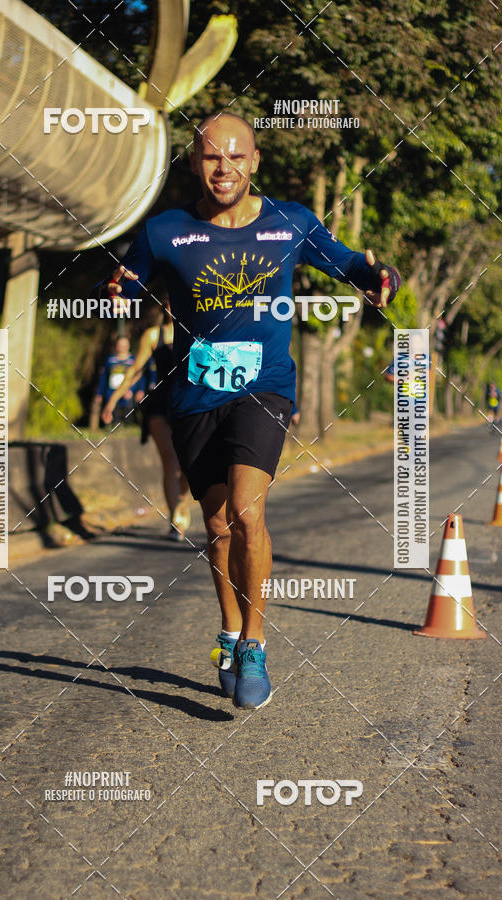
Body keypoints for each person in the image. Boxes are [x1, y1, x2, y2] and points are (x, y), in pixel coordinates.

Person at [105, 111, 401, 709]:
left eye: (236, 156)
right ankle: (230, 629)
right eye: (213, 156)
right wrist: (115, 289)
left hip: (265, 388)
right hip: (195, 394)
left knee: (246, 511)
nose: (225, 168)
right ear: (195, 163)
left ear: (255, 161)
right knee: (217, 526)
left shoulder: (291, 222)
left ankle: (256, 643)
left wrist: (377, 272)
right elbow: (128, 283)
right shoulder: (165, 230)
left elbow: (347, 261)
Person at [101, 308, 190, 541]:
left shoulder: (195, 328)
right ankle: (175, 519)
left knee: (189, 465)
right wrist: (112, 400)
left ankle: (181, 500)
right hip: (160, 403)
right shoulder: (153, 335)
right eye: (169, 301)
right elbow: (134, 370)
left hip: (188, 402)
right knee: (169, 460)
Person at [90, 336, 144, 427]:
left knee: (128, 417)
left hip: (127, 394)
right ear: (116, 346)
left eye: (124, 345)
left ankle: (127, 429)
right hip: (111, 393)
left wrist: (135, 390)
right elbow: (103, 378)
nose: (122, 348)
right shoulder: (110, 360)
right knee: (113, 418)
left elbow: (139, 377)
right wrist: (99, 393)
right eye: (120, 345)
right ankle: (113, 429)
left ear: (128, 346)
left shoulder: (133, 361)